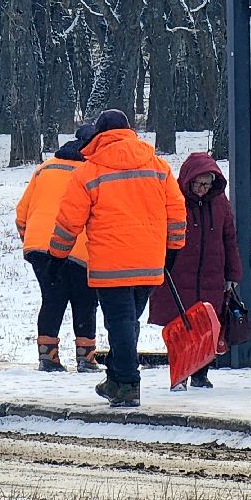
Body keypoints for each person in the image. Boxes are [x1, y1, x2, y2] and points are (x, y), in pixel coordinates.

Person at [48, 109, 186, 408]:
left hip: (111, 264)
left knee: (121, 322)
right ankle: (115, 378)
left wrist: (56, 257)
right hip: (149, 262)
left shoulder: (89, 172)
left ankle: (128, 384)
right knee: (128, 322)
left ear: (99, 135)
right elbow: (176, 211)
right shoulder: (158, 166)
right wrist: (173, 250)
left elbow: (69, 221)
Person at [148, 151, 242, 391]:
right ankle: (180, 373)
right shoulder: (173, 198)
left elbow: (229, 238)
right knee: (180, 328)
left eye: (207, 185)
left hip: (211, 273)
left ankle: (201, 373)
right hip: (178, 274)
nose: (202, 189)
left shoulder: (219, 202)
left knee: (207, 327)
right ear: (188, 181)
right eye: (198, 184)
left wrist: (232, 274)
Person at [15, 123, 101, 373]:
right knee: (84, 301)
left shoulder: (46, 167)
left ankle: (48, 357)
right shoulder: (92, 171)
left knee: (52, 299)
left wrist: (30, 239)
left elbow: (22, 212)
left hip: (39, 245)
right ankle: (86, 358)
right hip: (77, 246)